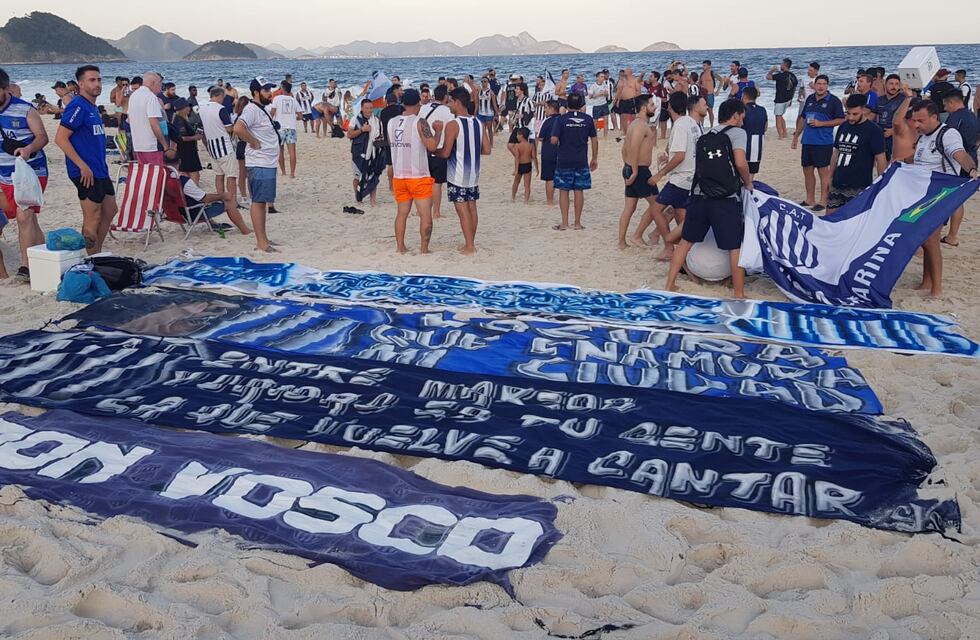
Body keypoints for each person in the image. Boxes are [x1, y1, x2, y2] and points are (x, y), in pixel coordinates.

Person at [664, 98, 754, 298]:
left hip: (699, 195)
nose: (743, 121)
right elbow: (740, 163)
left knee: (686, 241)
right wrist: (747, 182)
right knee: (734, 246)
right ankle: (739, 293)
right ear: (736, 115)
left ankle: (669, 284)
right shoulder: (738, 133)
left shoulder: (708, 133)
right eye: (742, 117)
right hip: (725, 198)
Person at [910, 100, 979, 297]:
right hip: (923, 195)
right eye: (914, 120)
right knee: (924, 240)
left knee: (931, 241)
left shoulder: (947, 134)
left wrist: (972, 169)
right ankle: (926, 281)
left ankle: (937, 288)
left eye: (920, 120)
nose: (916, 125)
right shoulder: (923, 136)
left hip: (940, 195)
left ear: (934, 117)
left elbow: (960, 154)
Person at [631, 93, 704, 259]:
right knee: (680, 214)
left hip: (681, 178)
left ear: (670, 107)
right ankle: (685, 251)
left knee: (656, 209)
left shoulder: (679, 125)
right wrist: (666, 154)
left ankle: (669, 246)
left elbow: (680, 156)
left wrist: (659, 174)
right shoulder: (692, 123)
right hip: (692, 177)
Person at [54, 65, 117, 255]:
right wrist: (82, 166)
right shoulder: (78, 105)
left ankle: (96, 251)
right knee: (93, 217)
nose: (97, 84)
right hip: (85, 171)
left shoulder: (92, 107)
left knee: (110, 210)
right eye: (92, 80)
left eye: (99, 80)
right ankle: (92, 259)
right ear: (80, 84)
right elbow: (60, 138)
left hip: (100, 169)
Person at [0, 67, 48, 281]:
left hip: (31, 171)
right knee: (28, 220)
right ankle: (42, 255)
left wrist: (28, 150)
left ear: (5, 89)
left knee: (24, 215)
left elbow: (42, 137)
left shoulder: (25, 110)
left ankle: (26, 268)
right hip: (4, 174)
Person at [388, 88, 441, 254]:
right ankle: (424, 248)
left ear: (403, 103)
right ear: (418, 103)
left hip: (399, 175)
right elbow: (432, 146)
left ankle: (400, 246)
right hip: (417, 175)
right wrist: (438, 131)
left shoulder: (392, 122)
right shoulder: (420, 122)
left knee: (401, 213)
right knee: (425, 215)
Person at [439, 87, 491, 255]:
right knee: (472, 208)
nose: (448, 105)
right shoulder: (478, 122)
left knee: (462, 212)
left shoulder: (453, 125)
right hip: (473, 174)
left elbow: (446, 153)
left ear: (458, 102)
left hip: (457, 174)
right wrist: (471, 151)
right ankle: (471, 242)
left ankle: (469, 246)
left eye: (450, 101)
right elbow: (487, 149)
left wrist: (433, 151)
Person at [233, 77, 281, 252]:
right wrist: (253, 141)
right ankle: (261, 242)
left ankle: (264, 239)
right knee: (259, 202)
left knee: (262, 201)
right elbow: (238, 128)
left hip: (266, 163)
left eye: (270, 89)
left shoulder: (261, 109)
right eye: (266, 90)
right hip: (259, 163)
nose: (270, 93)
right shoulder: (252, 109)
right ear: (256, 92)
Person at [164, 149, 251, 236]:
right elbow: (205, 199)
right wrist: (223, 195)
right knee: (229, 203)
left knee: (199, 198)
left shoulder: (163, 178)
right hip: (192, 214)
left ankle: (212, 224)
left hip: (174, 213)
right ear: (180, 161)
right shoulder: (183, 181)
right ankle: (245, 230)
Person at [791, 74, 845, 211]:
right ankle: (810, 199)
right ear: (814, 85)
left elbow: (841, 119)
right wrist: (796, 136)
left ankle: (823, 200)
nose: (820, 86)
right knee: (807, 170)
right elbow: (803, 118)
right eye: (818, 84)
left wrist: (822, 123)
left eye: (823, 84)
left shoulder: (833, 101)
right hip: (807, 141)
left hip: (823, 142)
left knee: (823, 172)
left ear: (827, 86)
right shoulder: (810, 98)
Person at [826, 94, 886, 213]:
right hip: (838, 182)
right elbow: (836, 152)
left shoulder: (874, 130)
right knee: (830, 218)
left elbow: (881, 159)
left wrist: (880, 183)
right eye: (848, 113)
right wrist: (829, 176)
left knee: (852, 221)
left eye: (855, 114)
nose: (850, 118)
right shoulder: (843, 126)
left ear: (864, 110)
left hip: (859, 185)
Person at [549, 92, 598, 231]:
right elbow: (594, 139)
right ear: (582, 105)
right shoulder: (588, 119)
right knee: (579, 190)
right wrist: (594, 158)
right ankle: (577, 223)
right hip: (581, 160)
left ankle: (564, 223)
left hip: (564, 159)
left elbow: (553, 140)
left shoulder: (561, 119)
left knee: (564, 191)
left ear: (567, 105)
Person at [618, 95, 659, 249]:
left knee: (630, 207)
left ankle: (622, 242)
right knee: (658, 204)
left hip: (632, 167)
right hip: (640, 170)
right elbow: (633, 146)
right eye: (652, 104)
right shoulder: (641, 125)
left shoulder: (634, 124)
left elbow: (624, 149)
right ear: (643, 108)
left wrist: (627, 167)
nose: (654, 107)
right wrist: (634, 170)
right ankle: (637, 236)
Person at [939, 90, 979, 247]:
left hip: (958, 161)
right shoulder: (972, 116)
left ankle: (947, 233)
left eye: (945, 105)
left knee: (949, 198)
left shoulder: (956, 118)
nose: (945, 108)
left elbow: (946, 138)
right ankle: (952, 235)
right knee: (958, 199)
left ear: (951, 103)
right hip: (971, 157)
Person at [199, 85, 238, 204]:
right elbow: (229, 129)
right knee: (231, 175)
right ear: (219, 96)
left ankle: (221, 198)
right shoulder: (220, 109)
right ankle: (232, 200)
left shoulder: (202, 108)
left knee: (219, 174)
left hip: (212, 146)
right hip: (224, 146)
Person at [420, 85, 454, 220]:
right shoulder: (447, 111)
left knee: (425, 182)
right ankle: (436, 212)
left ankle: (424, 210)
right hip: (439, 149)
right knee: (437, 183)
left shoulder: (424, 108)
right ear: (446, 97)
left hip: (424, 149)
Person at [128, 72, 171, 165]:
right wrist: (165, 145)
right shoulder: (151, 97)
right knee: (156, 174)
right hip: (152, 145)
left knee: (146, 175)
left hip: (138, 144)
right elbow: (154, 123)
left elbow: (130, 119)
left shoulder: (133, 96)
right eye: (160, 83)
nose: (161, 86)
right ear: (153, 83)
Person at [347, 98, 379, 207]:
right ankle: (358, 195)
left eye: (371, 108)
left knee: (372, 176)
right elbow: (349, 134)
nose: (369, 110)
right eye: (367, 108)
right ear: (362, 108)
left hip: (372, 151)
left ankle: (372, 200)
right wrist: (362, 130)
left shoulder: (376, 120)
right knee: (357, 176)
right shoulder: (355, 119)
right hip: (358, 151)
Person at [271, 82, 299, 178]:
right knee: (292, 152)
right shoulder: (293, 100)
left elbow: (272, 112)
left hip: (280, 129)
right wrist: (293, 117)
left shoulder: (277, 98)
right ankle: (292, 173)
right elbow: (300, 116)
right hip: (291, 127)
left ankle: (283, 172)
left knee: (280, 151)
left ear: (282, 88)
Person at [171, 98, 203, 182]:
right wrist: (195, 137)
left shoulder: (181, 119)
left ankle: (188, 193)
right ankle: (194, 193)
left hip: (186, 150)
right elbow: (182, 137)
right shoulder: (179, 120)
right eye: (187, 107)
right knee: (194, 174)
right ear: (183, 108)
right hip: (187, 151)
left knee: (186, 173)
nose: (189, 108)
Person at [766, 58, 798, 139]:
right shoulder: (793, 76)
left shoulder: (781, 75)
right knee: (780, 116)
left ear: (784, 65)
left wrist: (772, 70)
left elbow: (768, 77)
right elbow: (794, 88)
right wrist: (791, 98)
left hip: (780, 99)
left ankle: (780, 135)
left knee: (778, 116)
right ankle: (784, 132)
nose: (780, 65)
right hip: (788, 99)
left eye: (782, 64)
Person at [876, 74, 905, 160]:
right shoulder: (880, 100)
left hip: (897, 135)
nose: (894, 86)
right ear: (885, 84)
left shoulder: (904, 99)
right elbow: (875, 117)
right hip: (881, 135)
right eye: (891, 83)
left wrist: (893, 131)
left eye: (896, 84)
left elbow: (909, 120)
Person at [741, 86, 767, 178]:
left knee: (741, 170)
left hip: (745, 143)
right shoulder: (762, 110)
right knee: (751, 173)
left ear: (744, 96)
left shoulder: (743, 110)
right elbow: (765, 127)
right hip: (758, 143)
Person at [538, 100, 561, 206]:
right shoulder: (562, 119)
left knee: (549, 178)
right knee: (562, 177)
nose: (544, 109)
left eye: (546, 107)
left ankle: (550, 201)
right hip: (562, 152)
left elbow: (541, 137)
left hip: (548, 151)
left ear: (552, 109)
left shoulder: (547, 121)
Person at [511, 128, 537, 203]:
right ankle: (526, 200)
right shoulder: (531, 145)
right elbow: (534, 157)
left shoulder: (517, 146)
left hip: (520, 166)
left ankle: (513, 197)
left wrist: (516, 170)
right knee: (527, 185)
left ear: (521, 135)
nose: (516, 137)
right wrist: (537, 168)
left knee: (516, 182)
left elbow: (517, 158)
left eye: (517, 135)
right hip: (528, 165)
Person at [476, 76, 499, 153]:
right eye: (482, 81)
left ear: (488, 82)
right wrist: (475, 113)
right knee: (482, 129)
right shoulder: (479, 92)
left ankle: (491, 143)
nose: (483, 83)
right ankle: (483, 143)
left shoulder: (491, 92)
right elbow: (477, 104)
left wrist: (496, 114)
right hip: (481, 113)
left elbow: (494, 104)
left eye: (485, 81)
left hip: (489, 113)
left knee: (489, 129)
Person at [699, 61, 721, 127]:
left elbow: (721, 80)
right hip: (703, 95)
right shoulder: (702, 74)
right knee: (702, 111)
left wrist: (718, 90)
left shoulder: (712, 73)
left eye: (704, 65)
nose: (703, 67)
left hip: (710, 94)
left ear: (709, 66)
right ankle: (701, 126)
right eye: (703, 65)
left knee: (710, 111)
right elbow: (699, 83)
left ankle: (711, 126)